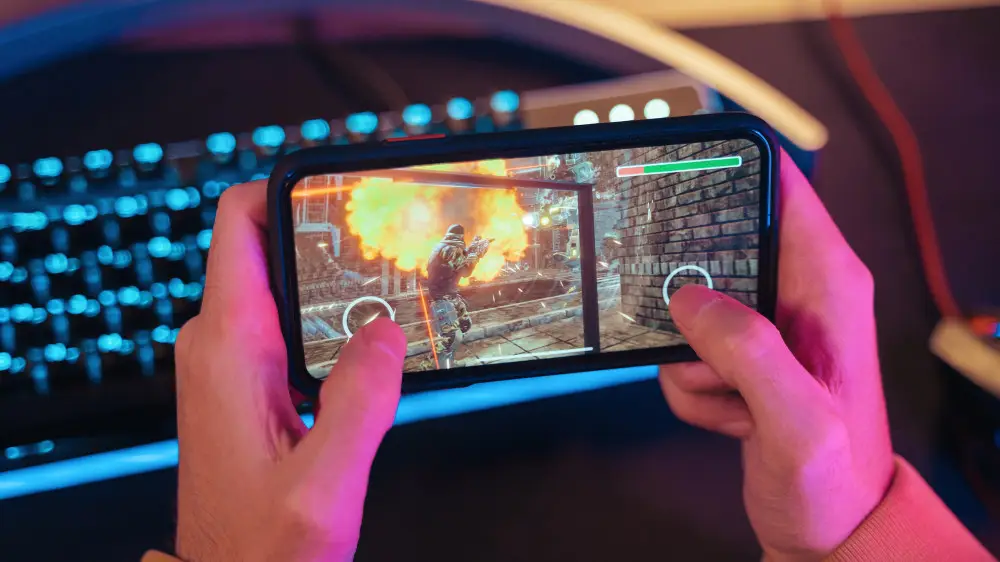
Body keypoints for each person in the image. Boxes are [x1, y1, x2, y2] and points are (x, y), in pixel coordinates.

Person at [142, 152, 995, 562]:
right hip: (442, 301)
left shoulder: (459, 253)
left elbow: (466, 261)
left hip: (448, 301)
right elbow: (453, 265)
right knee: (450, 326)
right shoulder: (444, 255)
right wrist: (854, 537)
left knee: (456, 329)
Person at [425, 224, 491, 369]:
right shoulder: (449, 249)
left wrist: (473, 248)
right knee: (452, 336)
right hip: (441, 297)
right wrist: (477, 254)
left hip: (449, 294)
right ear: (460, 237)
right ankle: (430, 366)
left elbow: (459, 260)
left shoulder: (446, 247)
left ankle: (448, 362)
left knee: (464, 324)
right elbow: (465, 270)